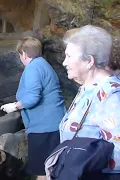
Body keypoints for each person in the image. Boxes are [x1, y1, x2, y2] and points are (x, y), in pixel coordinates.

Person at [59, 25, 120, 179]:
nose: (64, 62)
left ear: (89, 61)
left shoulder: (111, 95)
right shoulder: (87, 88)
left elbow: (118, 156)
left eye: (69, 56)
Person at [0, 36, 66, 180]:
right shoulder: (43, 64)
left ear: (24, 53)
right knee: (51, 168)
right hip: (53, 124)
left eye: (19, 54)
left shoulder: (33, 68)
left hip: (44, 128)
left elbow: (32, 98)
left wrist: (14, 106)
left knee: (42, 170)